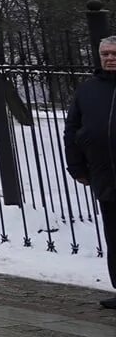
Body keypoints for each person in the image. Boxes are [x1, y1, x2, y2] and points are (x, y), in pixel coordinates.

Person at [64, 37, 116, 308]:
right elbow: (72, 130)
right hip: (105, 176)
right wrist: (76, 167)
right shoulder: (88, 90)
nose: (109, 58)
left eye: (114, 53)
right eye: (105, 53)